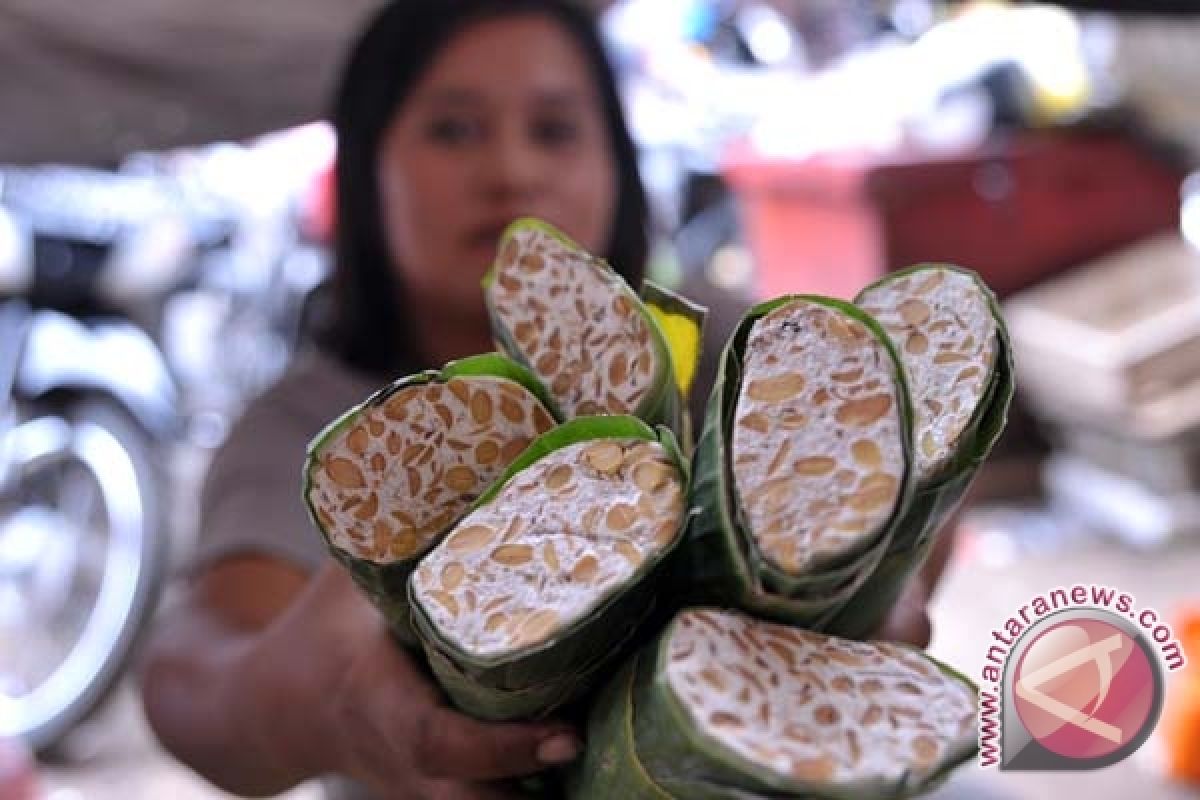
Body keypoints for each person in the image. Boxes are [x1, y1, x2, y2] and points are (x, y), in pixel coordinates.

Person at [137, 2, 942, 799]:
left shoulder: (722, 348)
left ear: (616, 161)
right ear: (365, 166)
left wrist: (879, 565)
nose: (511, 171)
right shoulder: (306, 423)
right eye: (453, 130)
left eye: (554, 129)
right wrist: (313, 700)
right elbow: (190, 682)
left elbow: (918, 463)